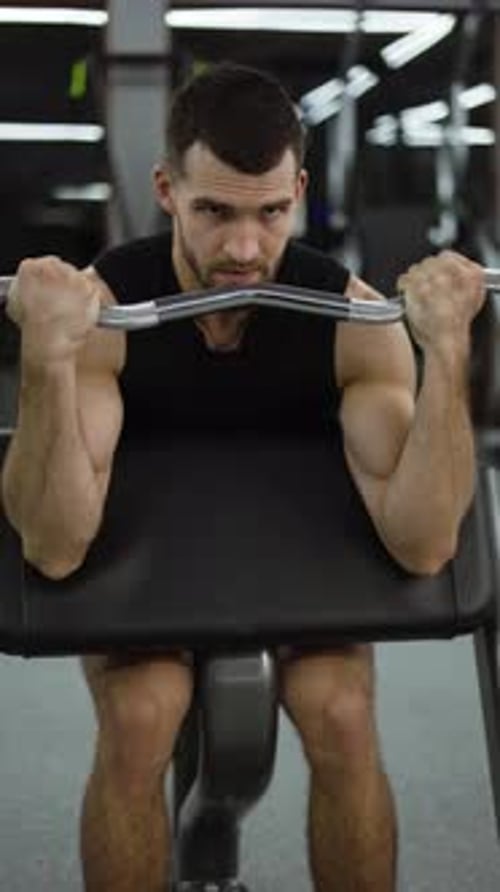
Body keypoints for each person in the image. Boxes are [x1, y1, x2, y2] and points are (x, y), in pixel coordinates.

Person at [1, 63, 485, 892]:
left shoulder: (352, 321)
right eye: (214, 212)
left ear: (298, 191)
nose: (245, 249)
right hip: (144, 567)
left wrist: (446, 353)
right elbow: (53, 545)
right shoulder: (107, 312)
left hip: (297, 557)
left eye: (270, 213)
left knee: (340, 709)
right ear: (167, 190)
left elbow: (426, 544)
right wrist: (45, 358)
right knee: (142, 711)